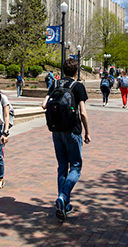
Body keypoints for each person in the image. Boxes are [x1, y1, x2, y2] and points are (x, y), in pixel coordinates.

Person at [42, 58, 91, 221]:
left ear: (63, 70)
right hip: (72, 130)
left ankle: (64, 205)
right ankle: (63, 197)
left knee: (62, 166)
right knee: (76, 166)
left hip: (56, 131)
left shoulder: (55, 84)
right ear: (76, 71)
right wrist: (87, 132)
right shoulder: (77, 86)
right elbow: (83, 112)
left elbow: (44, 105)